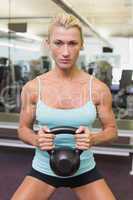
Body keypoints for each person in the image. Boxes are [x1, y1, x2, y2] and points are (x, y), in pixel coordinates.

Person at [11, 13, 117, 200]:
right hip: (43, 168)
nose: (66, 52)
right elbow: (22, 129)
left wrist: (93, 138)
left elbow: (112, 131)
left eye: (72, 43)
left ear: (81, 45)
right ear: (48, 44)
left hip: (84, 169)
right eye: (58, 43)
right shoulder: (33, 88)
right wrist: (36, 140)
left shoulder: (98, 89)